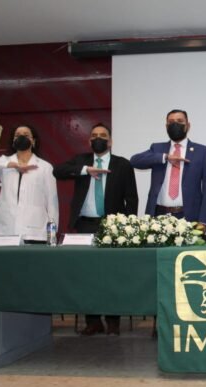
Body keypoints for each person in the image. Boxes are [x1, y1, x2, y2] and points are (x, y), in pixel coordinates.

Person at [53, 123, 139, 336]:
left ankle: (113, 321)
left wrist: (128, 227)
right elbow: (58, 171)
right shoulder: (81, 160)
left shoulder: (122, 164)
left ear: (110, 141)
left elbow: (131, 198)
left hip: (113, 226)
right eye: (94, 135)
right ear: (89, 140)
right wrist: (85, 170)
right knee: (87, 275)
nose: (98, 138)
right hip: (84, 224)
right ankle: (93, 321)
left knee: (112, 275)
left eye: (102, 135)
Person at [130, 109, 206, 229]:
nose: (175, 124)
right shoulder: (157, 148)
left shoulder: (202, 151)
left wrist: (204, 221)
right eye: (171, 122)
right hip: (158, 215)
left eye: (180, 121)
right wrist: (165, 157)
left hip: (189, 216)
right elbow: (134, 161)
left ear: (188, 125)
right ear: (166, 126)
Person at [0, 124, 58, 242]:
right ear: (13, 141)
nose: (21, 137)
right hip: (6, 229)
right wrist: (12, 165)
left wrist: (52, 231)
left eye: (26, 135)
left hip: (35, 231)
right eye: (17, 135)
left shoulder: (45, 167)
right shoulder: (5, 163)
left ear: (33, 141)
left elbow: (52, 202)